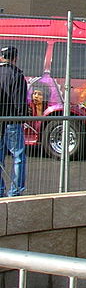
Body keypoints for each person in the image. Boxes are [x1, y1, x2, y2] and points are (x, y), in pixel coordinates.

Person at [0, 46, 28, 197]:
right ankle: (16, 190)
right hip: (13, 120)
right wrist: (22, 117)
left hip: (0, 121)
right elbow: (19, 102)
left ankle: (0, 190)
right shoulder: (17, 75)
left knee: (0, 158)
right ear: (15, 58)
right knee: (18, 157)